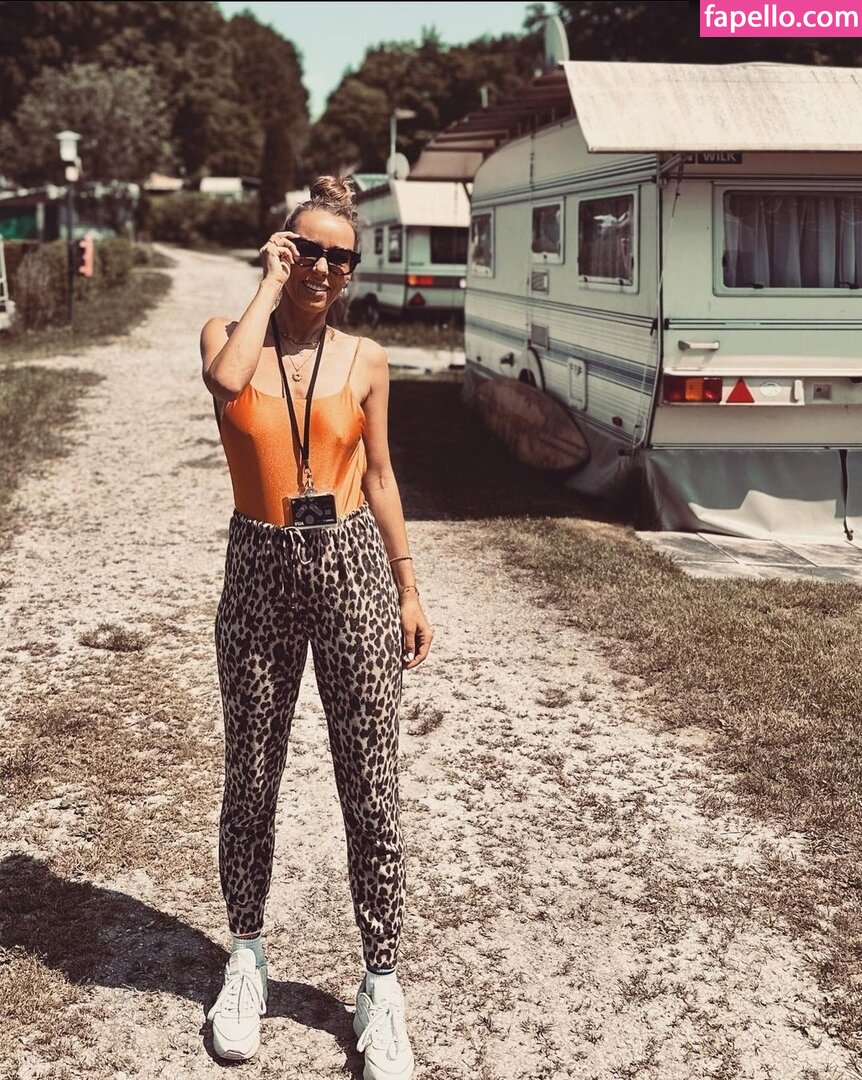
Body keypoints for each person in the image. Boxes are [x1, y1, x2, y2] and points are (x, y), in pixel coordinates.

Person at [199, 175, 433, 1079]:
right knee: (251, 774)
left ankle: (382, 985)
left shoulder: (368, 358)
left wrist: (408, 587)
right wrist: (267, 285)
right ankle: (246, 957)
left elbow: (380, 477)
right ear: (282, 248)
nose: (325, 268)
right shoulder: (227, 335)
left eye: (342, 256)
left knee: (369, 783)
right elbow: (226, 387)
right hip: (259, 564)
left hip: (351, 565)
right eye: (308, 250)